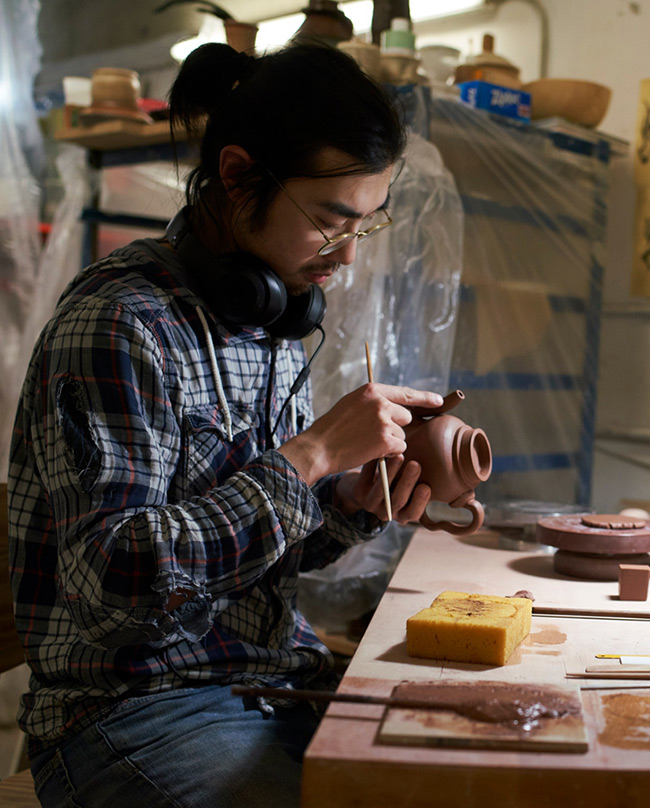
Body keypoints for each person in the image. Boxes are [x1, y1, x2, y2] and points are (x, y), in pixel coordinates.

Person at [8, 43, 443, 807]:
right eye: (331, 222)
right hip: (131, 710)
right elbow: (110, 592)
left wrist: (348, 504)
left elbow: (253, 560)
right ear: (239, 176)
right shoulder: (120, 325)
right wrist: (307, 457)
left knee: (457, 772)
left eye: (364, 227)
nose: (343, 258)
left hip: (269, 679)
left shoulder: (268, 320)